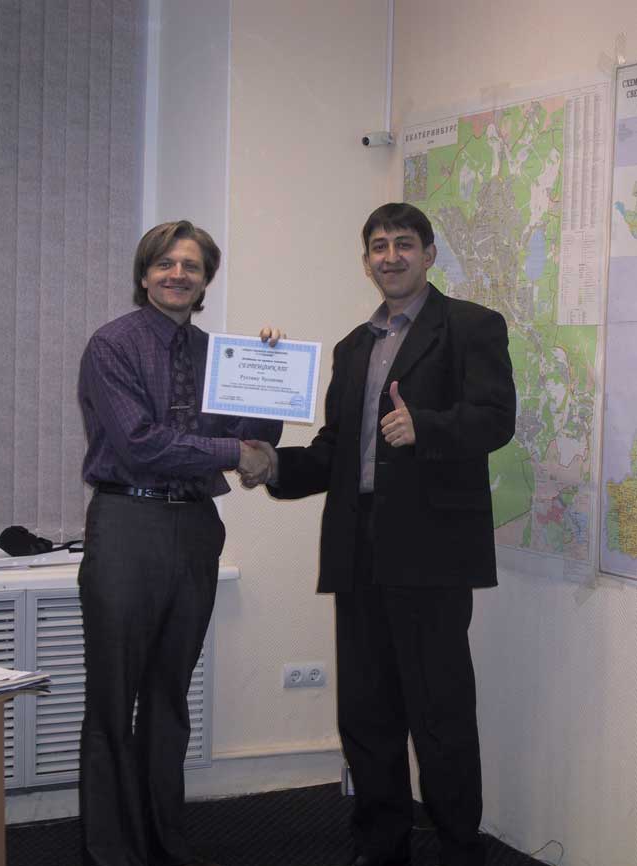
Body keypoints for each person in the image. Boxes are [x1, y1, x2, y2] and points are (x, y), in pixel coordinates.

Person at [244, 203, 516, 866]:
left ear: (429, 253)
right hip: (357, 546)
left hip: (431, 552)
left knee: (439, 714)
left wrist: (428, 426)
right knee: (366, 712)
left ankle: (459, 848)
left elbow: (496, 418)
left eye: (403, 244)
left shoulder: (470, 326)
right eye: (378, 246)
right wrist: (275, 465)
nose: (390, 256)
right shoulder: (353, 346)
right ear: (366, 260)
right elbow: (335, 449)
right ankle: (381, 842)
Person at [77, 220, 282, 866]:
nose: (177, 274)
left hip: (194, 528)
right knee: (114, 700)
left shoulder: (220, 354)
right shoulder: (112, 345)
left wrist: (268, 371)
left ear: (205, 281)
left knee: (169, 697)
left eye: (191, 266)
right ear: (145, 275)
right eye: (165, 263)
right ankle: (113, 852)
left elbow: (253, 435)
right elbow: (139, 443)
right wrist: (234, 452)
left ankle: (168, 842)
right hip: (127, 525)